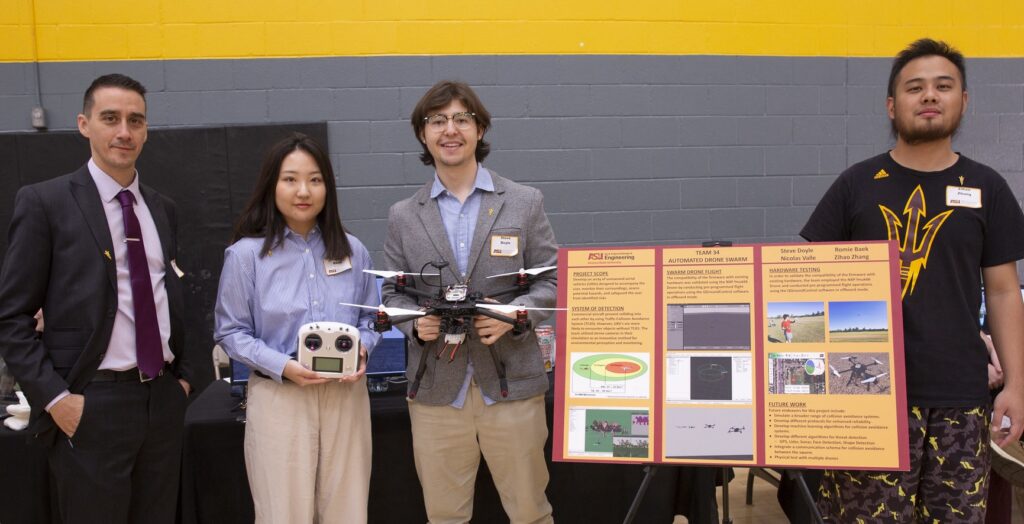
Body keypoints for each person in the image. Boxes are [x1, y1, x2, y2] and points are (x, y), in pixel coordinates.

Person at [801, 38, 1024, 521]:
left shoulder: (988, 189)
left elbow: (1004, 291)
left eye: (943, 86)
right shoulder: (855, 185)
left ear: (963, 102)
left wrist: (1017, 385)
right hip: (865, 399)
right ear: (891, 104)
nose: (929, 96)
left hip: (961, 401)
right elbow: (802, 283)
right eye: (914, 87)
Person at [0, 73, 196, 523]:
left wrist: (183, 380)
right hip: (91, 406)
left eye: (135, 120)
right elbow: (11, 318)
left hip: (161, 401)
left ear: (146, 131)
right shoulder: (44, 203)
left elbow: (171, 295)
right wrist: (56, 401)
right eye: (111, 118)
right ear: (85, 124)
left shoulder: (161, 208)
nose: (124, 132)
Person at [382, 80, 558, 524]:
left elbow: (551, 282)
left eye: (462, 118)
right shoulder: (404, 214)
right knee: (444, 515)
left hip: (512, 386)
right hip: (438, 394)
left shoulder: (523, 201)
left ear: (480, 129)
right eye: (437, 120)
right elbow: (391, 292)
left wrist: (515, 314)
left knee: (530, 512)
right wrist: (413, 323)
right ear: (423, 134)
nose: (450, 129)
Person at [214, 133, 381, 523]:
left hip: (345, 398)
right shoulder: (245, 256)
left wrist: (363, 348)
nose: (303, 190)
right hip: (280, 397)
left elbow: (371, 319)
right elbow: (231, 332)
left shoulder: (354, 251)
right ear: (271, 185)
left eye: (315, 179)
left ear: (328, 187)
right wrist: (284, 367)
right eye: (290, 179)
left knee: (348, 510)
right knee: (282, 513)